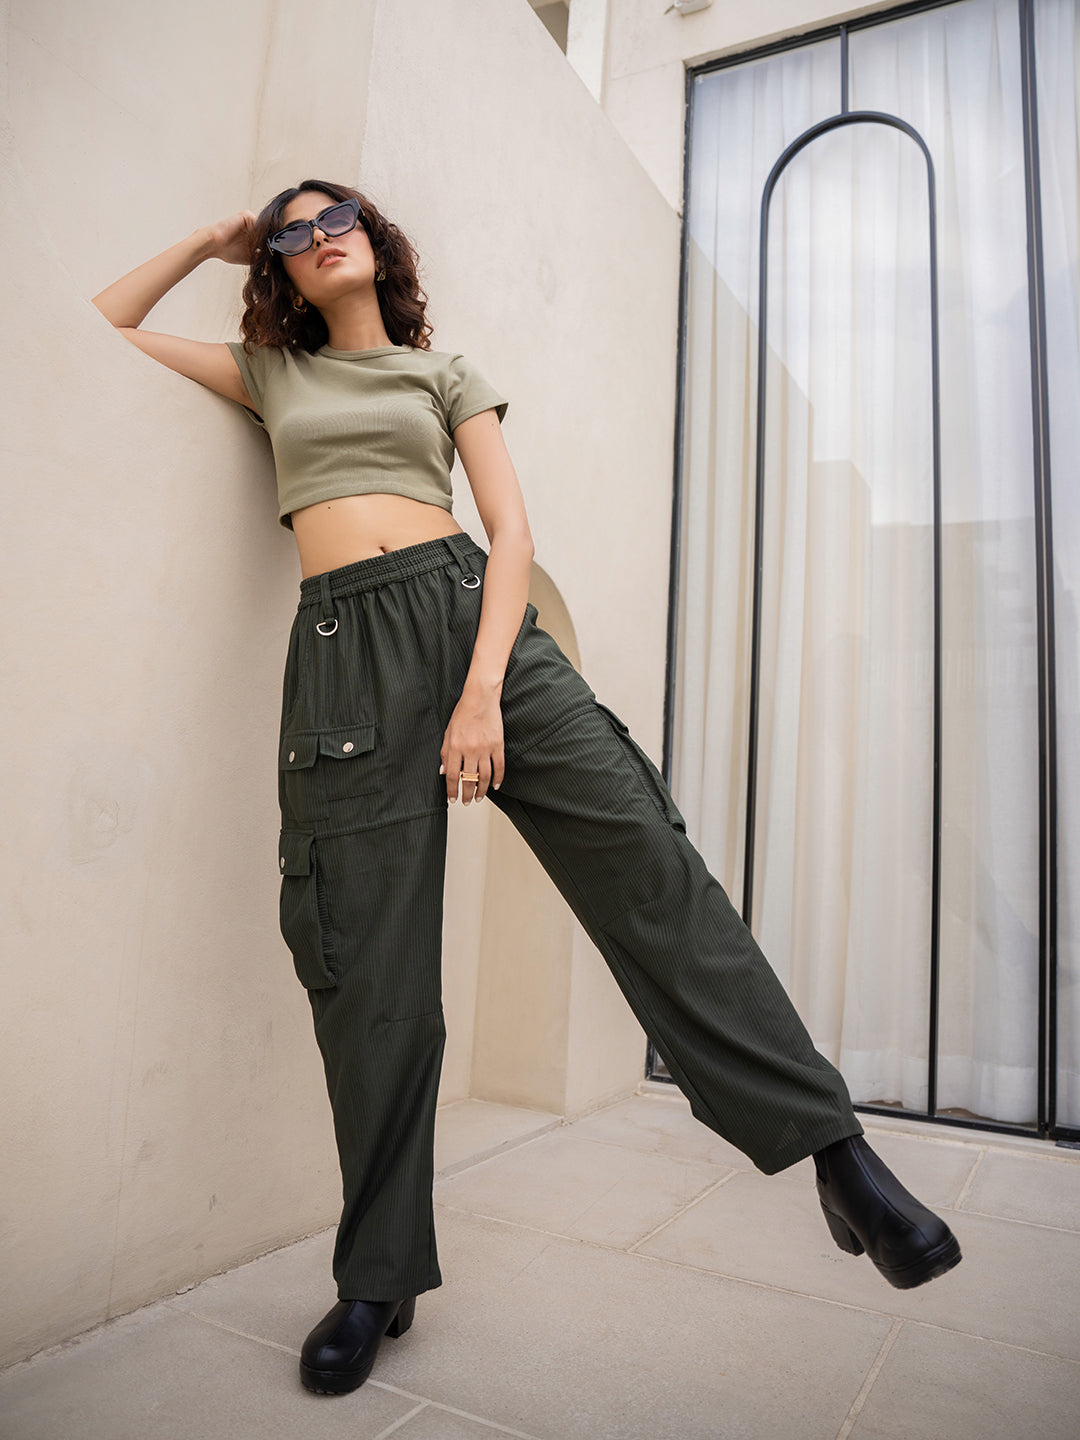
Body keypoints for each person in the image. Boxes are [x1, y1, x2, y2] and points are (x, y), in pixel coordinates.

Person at [92, 178, 962, 1397]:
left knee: (649, 863)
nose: (316, 236)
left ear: (375, 239)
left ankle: (839, 1158)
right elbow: (106, 327)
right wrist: (206, 238)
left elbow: (509, 532)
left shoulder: (444, 372)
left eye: (335, 217)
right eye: (291, 232)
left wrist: (484, 690)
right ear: (276, 266)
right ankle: (378, 1274)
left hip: (477, 624)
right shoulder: (273, 376)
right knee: (371, 974)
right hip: (345, 666)